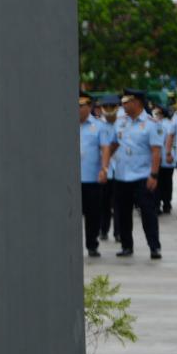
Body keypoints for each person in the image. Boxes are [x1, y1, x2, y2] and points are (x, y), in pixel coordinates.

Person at [108, 88, 163, 260]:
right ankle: (126, 246)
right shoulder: (120, 122)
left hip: (142, 176)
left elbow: (156, 151)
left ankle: (154, 247)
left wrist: (153, 175)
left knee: (148, 213)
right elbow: (114, 144)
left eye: (126, 102)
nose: (123, 105)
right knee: (123, 213)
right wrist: (103, 163)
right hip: (122, 176)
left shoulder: (151, 123)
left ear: (137, 102)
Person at [79, 91, 112, 258]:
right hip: (71, 181)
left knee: (93, 213)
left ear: (89, 106)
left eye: (81, 106)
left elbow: (105, 148)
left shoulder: (99, 126)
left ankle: (92, 244)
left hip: (91, 177)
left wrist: (104, 169)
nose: (78, 109)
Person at [98, 95, 121, 242]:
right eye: (106, 107)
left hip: (120, 171)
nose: (108, 110)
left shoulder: (123, 124)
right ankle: (103, 230)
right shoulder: (98, 125)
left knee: (119, 205)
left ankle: (119, 233)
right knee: (103, 204)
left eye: (112, 107)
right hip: (104, 171)